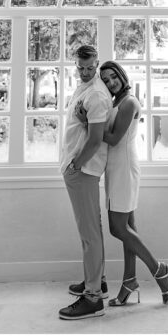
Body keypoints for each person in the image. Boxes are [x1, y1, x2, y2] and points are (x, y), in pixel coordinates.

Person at [78, 61, 168, 306]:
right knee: (128, 227)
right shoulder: (116, 102)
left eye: (114, 77)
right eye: (106, 79)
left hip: (123, 168)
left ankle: (159, 269)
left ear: (122, 75)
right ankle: (129, 281)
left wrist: (87, 122)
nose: (111, 82)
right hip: (116, 167)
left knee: (117, 228)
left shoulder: (129, 102)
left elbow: (111, 139)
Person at [58, 44, 110, 320]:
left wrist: (75, 163)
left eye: (91, 68)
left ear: (97, 63)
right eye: (81, 68)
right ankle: (97, 282)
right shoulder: (85, 87)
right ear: (75, 64)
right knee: (91, 230)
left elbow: (96, 138)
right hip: (79, 168)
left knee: (89, 234)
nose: (86, 72)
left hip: (84, 170)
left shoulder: (98, 95)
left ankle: (92, 298)